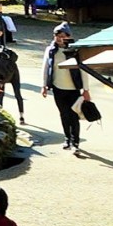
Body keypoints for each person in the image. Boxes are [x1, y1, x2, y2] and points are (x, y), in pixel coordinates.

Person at [42, 23, 92, 155]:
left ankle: (76, 142)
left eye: (62, 36)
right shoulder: (51, 50)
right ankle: (67, 139)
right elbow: (46, 68)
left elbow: (83, 70)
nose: (59, 39)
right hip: (58, 88)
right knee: (64, 114)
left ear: (69, 37)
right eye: (57, 36)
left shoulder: (75, 51)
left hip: (73, 88)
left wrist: (86, 90)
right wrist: (44, 85)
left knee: (74, 116)